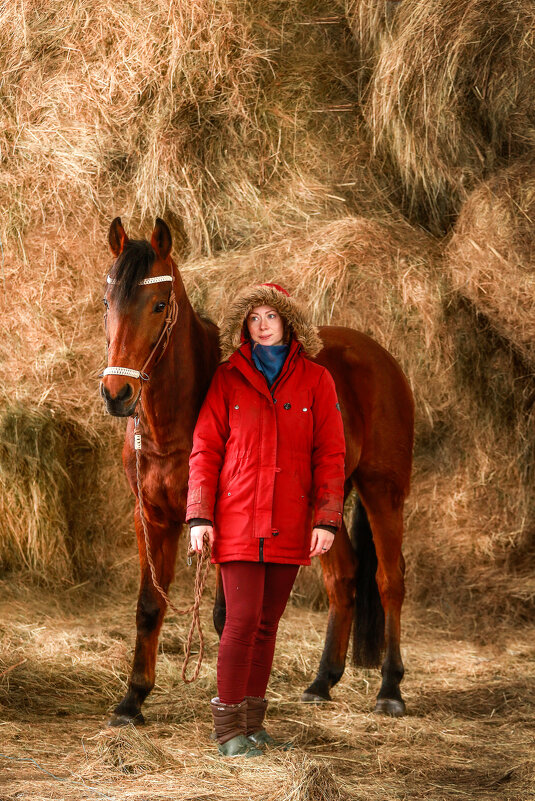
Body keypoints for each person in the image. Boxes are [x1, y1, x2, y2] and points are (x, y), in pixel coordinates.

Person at [186, 283, 345, 757]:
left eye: (269, 316)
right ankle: (228, 730)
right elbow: (205, 449)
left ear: (287, 322)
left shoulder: (317, 381)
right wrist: (199, 516)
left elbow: (331, 454)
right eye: (253, 317)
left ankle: (253, 725)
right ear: (245, 326)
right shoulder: (227, 378)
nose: (261, 324)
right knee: (239, 623)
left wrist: (327, 520)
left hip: (291, 519)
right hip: (235, 520)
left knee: (267, 625)